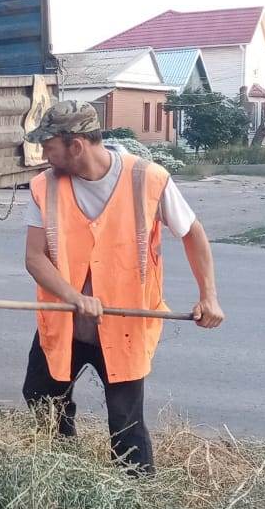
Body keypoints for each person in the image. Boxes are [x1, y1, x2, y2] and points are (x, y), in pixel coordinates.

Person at [21, 101, 225, 472]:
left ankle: (136, 498)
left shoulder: (147, 179)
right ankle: (62, 471)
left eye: (48, 146)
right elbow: (35, 257)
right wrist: (74, 297)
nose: (43, 154)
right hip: (64, 321)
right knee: (42, 397)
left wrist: (208, 296)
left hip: (123, 325)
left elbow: (192, 234)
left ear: (76, 145)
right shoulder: (42, 186)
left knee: (125, 422)